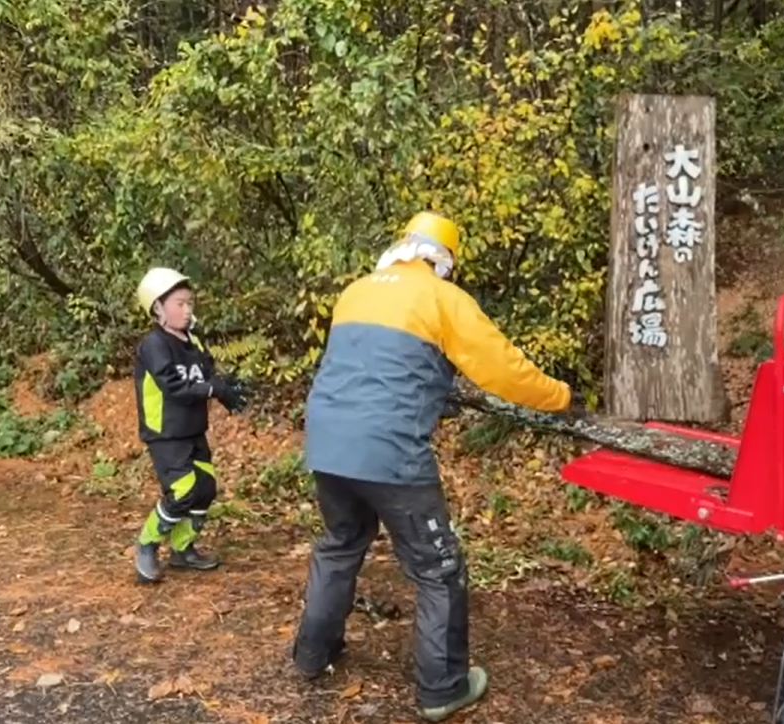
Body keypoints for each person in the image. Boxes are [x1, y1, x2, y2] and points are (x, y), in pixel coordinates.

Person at [293, 211, 577, 722]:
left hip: (327, 442)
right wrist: (558, 397)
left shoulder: (355, 292)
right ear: (443, 260)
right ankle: (443, 688)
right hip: (389, 449)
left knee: (340, 543)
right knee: (438, 568)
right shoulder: (442, 298)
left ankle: (313, 655)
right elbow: (502, 368)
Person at [132, 267, 250, 583]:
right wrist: (213, 389)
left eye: (190, 303)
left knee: (204, 489)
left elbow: (206, 376)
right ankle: (147, 543)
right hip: (165, 433)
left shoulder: (193, 341)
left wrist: (226, 387)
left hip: (193, 430)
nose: (187, 310)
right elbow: (174, 387)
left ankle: (182, 549)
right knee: (183, 491)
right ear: (158, 307)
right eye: (179, 303)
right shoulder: (154, 344)